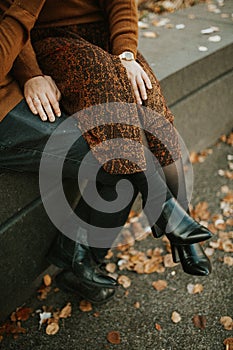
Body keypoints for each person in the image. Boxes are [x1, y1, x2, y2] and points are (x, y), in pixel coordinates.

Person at [0, 0, 212, 304]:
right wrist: (31, 73)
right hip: (46, 45)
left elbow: (122, 3)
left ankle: (178, 222)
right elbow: (13, 19)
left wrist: (126, 52)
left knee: (146, 100)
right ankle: (165, 219)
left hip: (96, 38)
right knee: (116, 142)